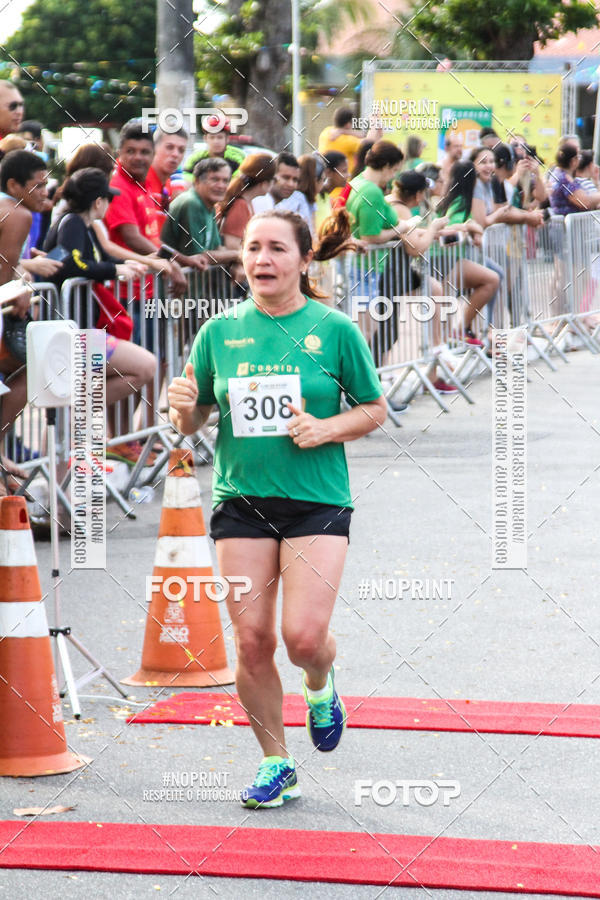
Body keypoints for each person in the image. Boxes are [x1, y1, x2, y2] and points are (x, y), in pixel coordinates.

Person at [167, 206, 387, 808]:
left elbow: (373, 409)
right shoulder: (219, 332)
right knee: (254, 641)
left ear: (303, 259)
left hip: (316, 499)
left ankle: (320, 684)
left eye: (277, 249)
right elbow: (191, 418)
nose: (262, 259)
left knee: (303, 637)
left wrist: (326, 428)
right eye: (254, 248)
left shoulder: (333, 328)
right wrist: (180, 404)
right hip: (241, 499)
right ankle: (275, 761)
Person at [43, 167, 156, 456]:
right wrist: (115, 269)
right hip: (70, 332)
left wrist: (125, 266)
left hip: (82, 330)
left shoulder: (83, 225)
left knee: (143, 366)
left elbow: (100, 259)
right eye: (107, 198)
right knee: (144, 366)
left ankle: (81, 414)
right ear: (97, 201)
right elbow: (73, 265)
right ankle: (80, 410)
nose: (109, 203)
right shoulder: (72, 223)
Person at [435, 159, 501, 345]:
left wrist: (473, 230)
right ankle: (460, 329)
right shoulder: (461, 201)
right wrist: (468, 227)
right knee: (492, 279)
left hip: (445, 260)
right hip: (447, 261)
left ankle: (454, 336)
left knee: (444, 310)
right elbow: (450, 226)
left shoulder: (448, 199)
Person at [160, 157, 240, 269]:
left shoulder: (209, 205)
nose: (221, 185)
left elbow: (216, 249)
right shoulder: (191, 203)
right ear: (197, 181)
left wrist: (239, 261)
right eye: (215, 179)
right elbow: (197, 255)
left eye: (225, 180)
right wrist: (238, 255)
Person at [218, 153, 276, 251]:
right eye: (273, 179)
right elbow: (232, 245)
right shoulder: (240, 205)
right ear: (264, 183)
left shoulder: (247, 202)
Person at [146, 127, 188, 231]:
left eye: (181, 150)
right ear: (153, 148)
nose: (175, 154)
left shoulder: (168, 185)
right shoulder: (141, 181)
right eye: (169, 147)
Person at [318, 106, 380, 172]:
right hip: (345, 180)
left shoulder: (326, 131)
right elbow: (369, 144)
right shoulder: (347, 141)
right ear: (348, 124)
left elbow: (361, 134)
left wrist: (343, 131)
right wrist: (374, 123)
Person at [183, 116, 245, 181]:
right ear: (205, 139)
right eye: (212, 137)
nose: (216, 141)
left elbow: (241, 175)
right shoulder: (196, 157)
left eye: (220, 137)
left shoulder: (237, 156)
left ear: (227, 139)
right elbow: (186, 174)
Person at [549, 144, 600, 215]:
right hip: (569, 224)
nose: (579, 159)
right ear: (573, 161)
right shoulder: (564, 179)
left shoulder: (558, 174)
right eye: (578, 157)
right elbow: (584, 202)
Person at [296, 154, 326, 234]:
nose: (323, 184)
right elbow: (311, 235)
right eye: (323, 179)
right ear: (315, 181)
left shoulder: (308, 200)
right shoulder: (299, 199)